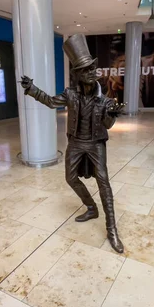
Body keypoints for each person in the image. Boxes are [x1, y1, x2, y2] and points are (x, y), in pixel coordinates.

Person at [20, 34, 126, 253]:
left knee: (104, 182)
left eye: (92, 68)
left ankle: (111, 228)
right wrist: (32, 89)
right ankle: (91, 207)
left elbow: (107, 124)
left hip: (96, 144)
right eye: (86, 70)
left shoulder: (105, 100)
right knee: (70, 178)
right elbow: (50, 101)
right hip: (76, 143)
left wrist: (113, 114)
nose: (91, 73)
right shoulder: (70, 94)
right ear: (77, 74)